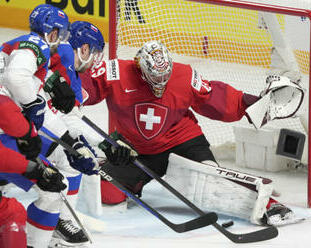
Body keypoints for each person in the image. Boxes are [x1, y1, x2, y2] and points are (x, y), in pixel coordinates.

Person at [80, 40, 299, 226]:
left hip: (182, 142)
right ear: (140, 69)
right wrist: (66, 91)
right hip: (136, 149)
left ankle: (270, 205)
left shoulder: (184, 75)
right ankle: (132, 184)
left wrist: (251, 103)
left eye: (165, 75)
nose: (161, 82)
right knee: (104, 191)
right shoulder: (116, 71)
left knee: (214, 182)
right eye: (155, 77)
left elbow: (215, 98)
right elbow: (84, 89)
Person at [41, 20, 105, 247]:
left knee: (70, 157)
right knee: (68, 155)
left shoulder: (67, 61)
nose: (95, 60)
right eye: (95, 52)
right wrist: (102, 144)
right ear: (85, 49)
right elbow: (69, 119)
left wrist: (103, 144)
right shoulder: (67, 55)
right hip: (16, 122)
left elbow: (69, 118)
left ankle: (62, 221)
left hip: (32, 119)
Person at [0, 95, 67, 248]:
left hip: (14, 137)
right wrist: (30, 168)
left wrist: (28, 133)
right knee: (11, 214)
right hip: (12, 139)